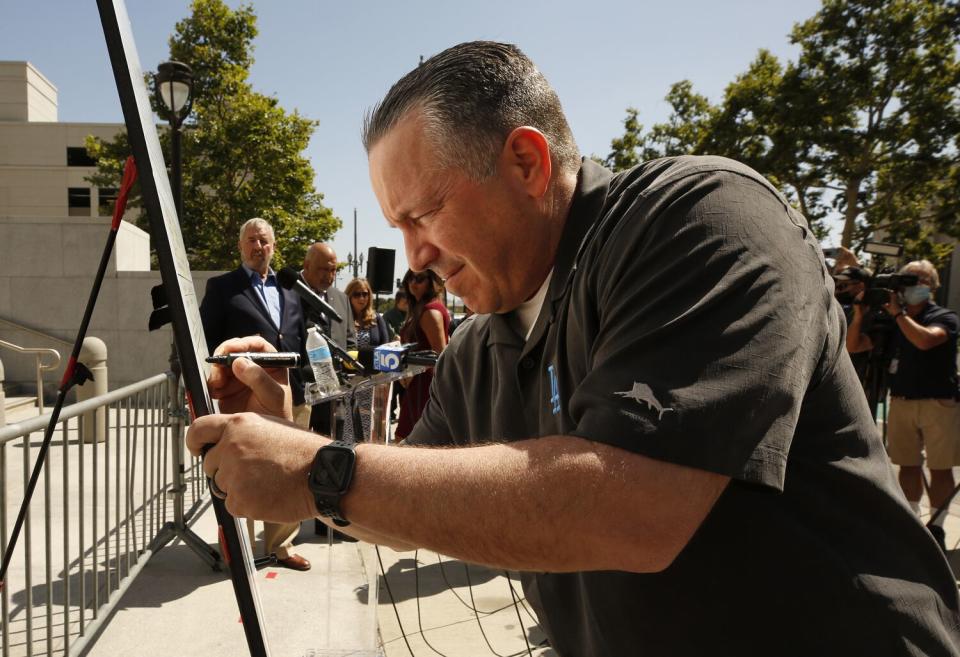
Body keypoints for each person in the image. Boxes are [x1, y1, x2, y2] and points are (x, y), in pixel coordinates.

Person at [188, 42, 960, 656]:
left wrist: (317, 473)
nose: (414, 256)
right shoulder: (479, 347)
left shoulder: (702, 218)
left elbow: (633, 509)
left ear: (527, 162)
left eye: (422, 214)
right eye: (397, 228)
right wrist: (291, 441)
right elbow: (401, 501)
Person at [198, 217, 310, 572]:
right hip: (242, 397)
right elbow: (203, 339)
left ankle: (280, 546)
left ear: (273, 246)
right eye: (250, 240)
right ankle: (238, 545)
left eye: (263, 241)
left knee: (288, 469)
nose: (257, 247)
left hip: (289, 393)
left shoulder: (293, 289)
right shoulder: (222, 288)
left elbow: (298, 338)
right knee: (241, 467)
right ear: (240, 246)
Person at [847, 259, 960, 551]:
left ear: (932, 286)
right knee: (907, 466)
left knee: (940, 468)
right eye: (906, 280)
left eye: (917, 280)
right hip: (902, 401)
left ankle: (936, 526)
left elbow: (925, 341)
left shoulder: (944, 317)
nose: (911, 286)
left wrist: (898, 314)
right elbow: (854, 346)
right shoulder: (893, 320)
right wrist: (860, 315)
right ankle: (912, 522)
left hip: (938, 403)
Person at [301, 243, 357, 436]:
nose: (329, 276)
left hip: (334, 399)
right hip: (302, 399)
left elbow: (350, 341)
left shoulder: (341, 298)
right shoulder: (289, 295)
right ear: (306, 265)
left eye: (333, 270)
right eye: (323, 269)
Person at [396, 269, 450, 442]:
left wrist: (412, 371)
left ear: (431, 282)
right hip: (416, 383)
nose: (413, 283)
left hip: (424, 387)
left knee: (410, 442)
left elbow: (440, 357)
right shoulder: (420, 308)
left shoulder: (430, 311)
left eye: (419, 279)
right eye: (410, 278)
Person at [343, 277, 390, 441]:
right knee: (349, 425)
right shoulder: (342, 319)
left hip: (372, 382)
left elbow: (386, 347)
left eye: (365, 294)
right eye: (357, 294)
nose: (362, 298)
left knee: (369, 425)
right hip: (349, 382)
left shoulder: (377, 319)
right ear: (348, 296)